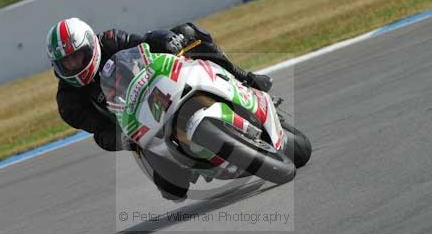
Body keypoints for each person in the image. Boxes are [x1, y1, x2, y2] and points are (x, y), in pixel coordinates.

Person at [46, 17, 273, 200]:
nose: (74, 64)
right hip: (136, 127)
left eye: (77, 55)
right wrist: (121, 139)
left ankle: (244, 78)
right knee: (172, 190)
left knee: (188, 32)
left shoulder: (111, 40)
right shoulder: (68, 102)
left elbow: (145, 41)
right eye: (67, 62)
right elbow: (99, 132)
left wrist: (168, 40)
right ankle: (190, 160)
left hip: (157, 86)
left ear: (90, 44)